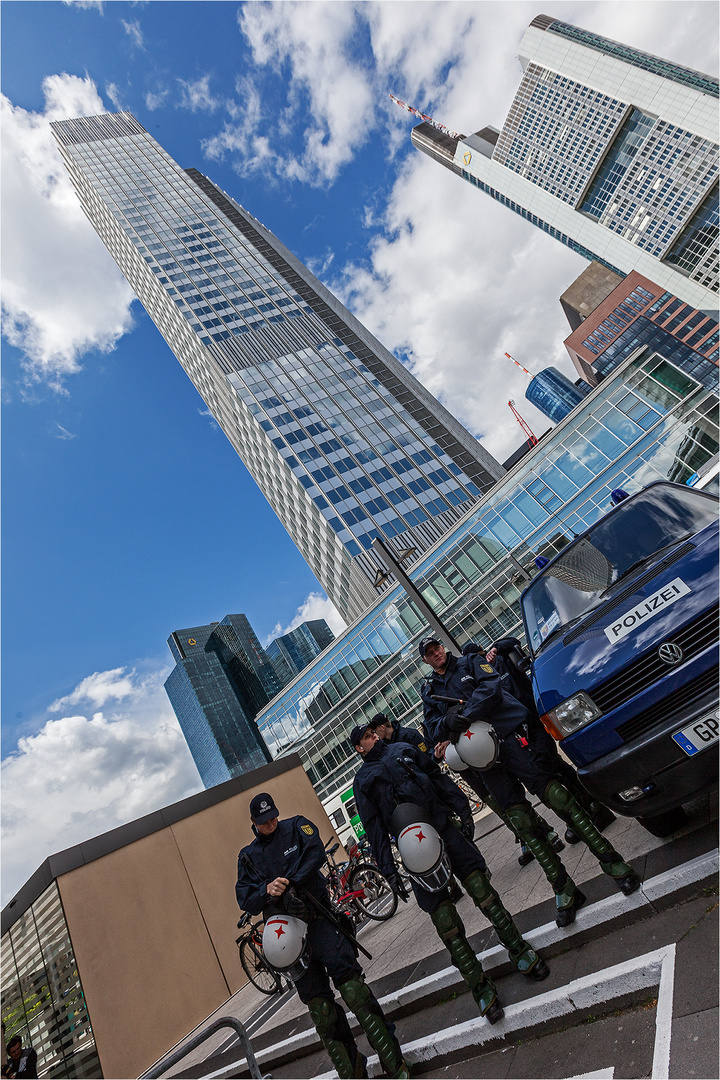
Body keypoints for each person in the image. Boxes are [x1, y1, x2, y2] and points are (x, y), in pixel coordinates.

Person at [419, 635, 641, 927]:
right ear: (425, 659)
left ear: (442, 648)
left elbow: (491, 687)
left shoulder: (470, 662)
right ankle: (563, 888)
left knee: (558, 798)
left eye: (437, 647)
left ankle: (613, 863)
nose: (436, 653)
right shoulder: (430, 692)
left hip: (510, 739)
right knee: (522, 821)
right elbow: (431, 727)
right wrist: (448, 723)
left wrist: (465, 714)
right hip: (483, 761)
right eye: (429, 652)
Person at [351, 722, 550, 1027]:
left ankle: (520, 949)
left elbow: (439, 779)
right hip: (415, 852)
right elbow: (375, 829)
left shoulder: (403, 750)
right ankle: (480, 987)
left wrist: (464, 810)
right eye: (366, 737)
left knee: (483, 891)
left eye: (372, 732)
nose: (372, 736)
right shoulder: (362, 781)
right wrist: (389, 873)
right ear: (358, 748)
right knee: (446, 922)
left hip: (444, 828)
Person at [235, 793, 409, 1080]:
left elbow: (314, 852)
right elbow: (245, 896)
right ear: (253, 823)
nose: (271, 823)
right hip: (290, 941)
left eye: (273, 816)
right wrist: (267, 890)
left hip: (321, 923)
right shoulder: (248, 857)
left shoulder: (296, 827)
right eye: (264, 821)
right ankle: (353, 1072)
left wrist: (290, 881)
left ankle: (395, 1063)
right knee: (321, 1011)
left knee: (354, 991)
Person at [474, 638, 616, 844]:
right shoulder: (481, 683)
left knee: (550, 767)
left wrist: (496, 648)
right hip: (521, 733)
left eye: (479, 657)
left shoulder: (501, 660)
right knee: (551, 770)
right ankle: (586, 813)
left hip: (535, 723)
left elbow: (512, 642)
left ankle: (593, 809)